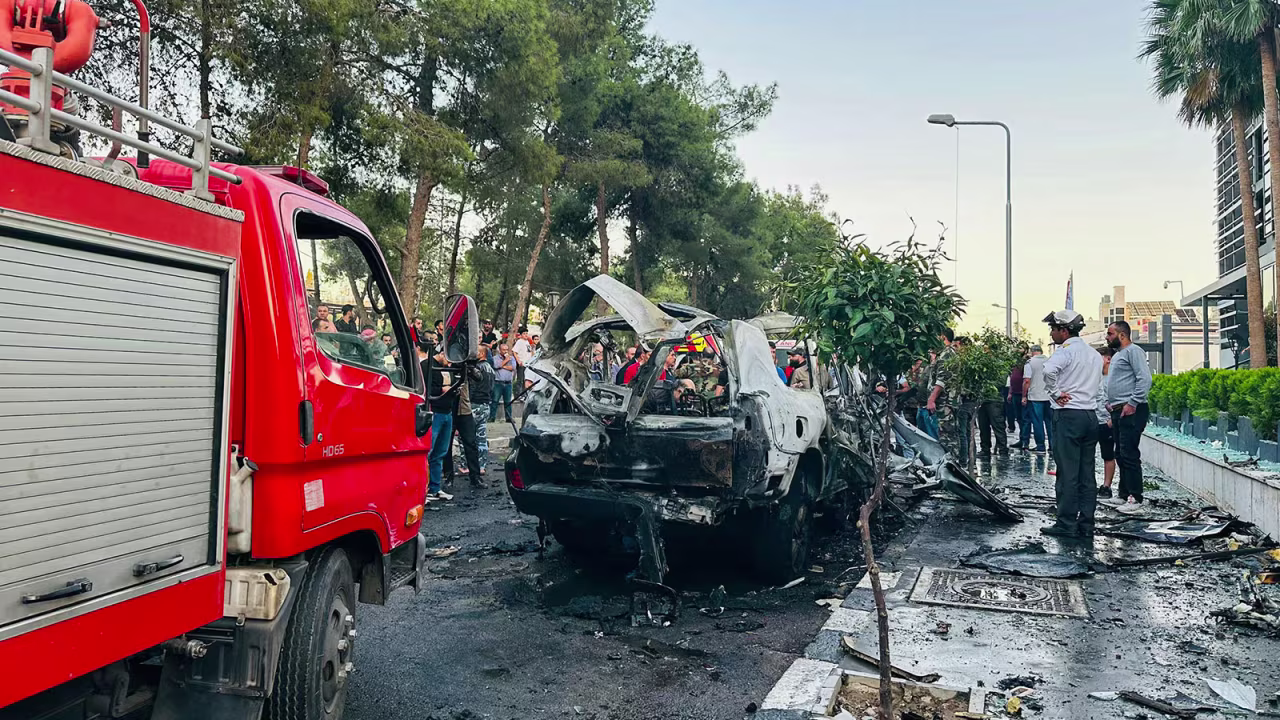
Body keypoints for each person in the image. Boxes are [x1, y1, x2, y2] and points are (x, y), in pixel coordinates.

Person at [1040, 309, 1103, 538]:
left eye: (1054, 329)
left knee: (1067, 473)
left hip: (1068, 416)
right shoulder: (1094, 354)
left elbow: (1048, 370)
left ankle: (1066, 523)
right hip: (1090, 416)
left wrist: (1056, 393)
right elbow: (1099, 387)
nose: (1052, 334)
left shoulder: (1065, 352)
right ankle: (1086, 523)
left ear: (1064, 330)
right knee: (1087, 473)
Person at [1105, 320, 1153, 507]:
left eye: (1110, 334)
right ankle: (1124, 494)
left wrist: (1132, 403)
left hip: (1132, 410)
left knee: (1129, 453)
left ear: (1122, 335)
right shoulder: (1119, 355)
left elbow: (1144, 378)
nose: (1107, 337)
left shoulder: (1134, 351)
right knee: (1120, 453)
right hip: (1118, 410)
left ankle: (1135, 497)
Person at [421, 341, 457, 502]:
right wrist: (442, 390)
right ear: (442, 353)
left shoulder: (446, 367)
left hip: (446, 411)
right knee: (429, 451)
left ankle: (434, 488)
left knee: (440, 452)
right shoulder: (427, 366)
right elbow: (425, 389)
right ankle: (424, 488)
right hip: (434, 410)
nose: (449, 363)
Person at [1019, 345, 1050, 452]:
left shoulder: (1030, 363)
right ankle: (1052, 446)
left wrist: (1024, 395)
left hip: (1035, 396)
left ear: (1032, 352)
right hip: (1049, 396)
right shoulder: (1050, 361)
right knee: (1050, 423)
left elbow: (1027, 381)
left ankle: (1041, 446)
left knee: (1037, 423)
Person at [1095, 347, 1118, 500]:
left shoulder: (1115, 379)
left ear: (1108, 359)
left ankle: (1106, 486)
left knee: (1108, 455)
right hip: (1093, 420)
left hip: (1106, 422)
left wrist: (1112, 419)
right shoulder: (1095, 377)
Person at [470, 345, 496, 472]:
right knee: (481, 436)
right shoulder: (491, 369)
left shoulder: (477, 369)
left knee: (468, 436)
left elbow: (472, 387)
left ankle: (466, 465)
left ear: (481, 354)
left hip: (475, 404)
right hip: (486, 404)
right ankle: (482, 465)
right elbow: (492, 388)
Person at [490, 343, 516, 422]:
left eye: (506, 350)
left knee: (508, 402)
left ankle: (508, 418)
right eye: (503, 350)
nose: (505, 351)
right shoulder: (495, 358)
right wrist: (506, 361)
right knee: (495, 400)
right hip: (498, 383)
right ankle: (492, 417)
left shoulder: (511, 358)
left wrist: (502, 366)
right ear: (500, 350)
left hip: (508, 383)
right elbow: (495, 366)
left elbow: (513, 367)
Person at [1007, 358, 1025, 434]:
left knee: (1024, 417)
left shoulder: (1025, 365)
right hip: (1015, 393)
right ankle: (1022, 434)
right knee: (1018, 416)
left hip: (1023, 394)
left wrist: (1025, 395)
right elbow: (1011, 380)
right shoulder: (1014, 366)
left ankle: (1024, 435)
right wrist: (1010, 392)